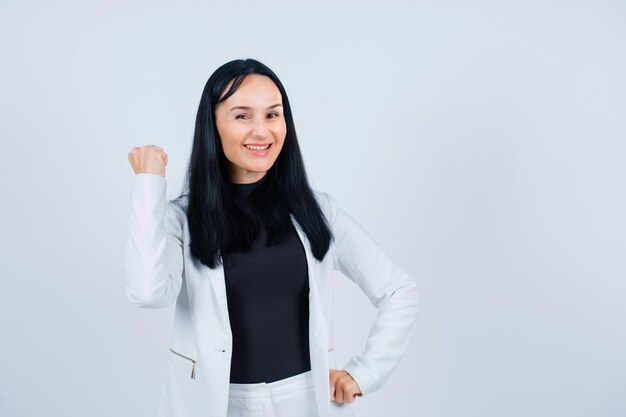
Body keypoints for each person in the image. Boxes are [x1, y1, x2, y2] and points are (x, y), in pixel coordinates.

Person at [124, 58, 420, 417]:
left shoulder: (319, 211)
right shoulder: (182, 218)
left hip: (305, 400)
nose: (261, 131)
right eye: (242, 116)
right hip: (215, 403)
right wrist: (149, 185)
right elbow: (148, 293)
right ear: (213, 125)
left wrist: (363, 373)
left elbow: (398, 290)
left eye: (272, 115)